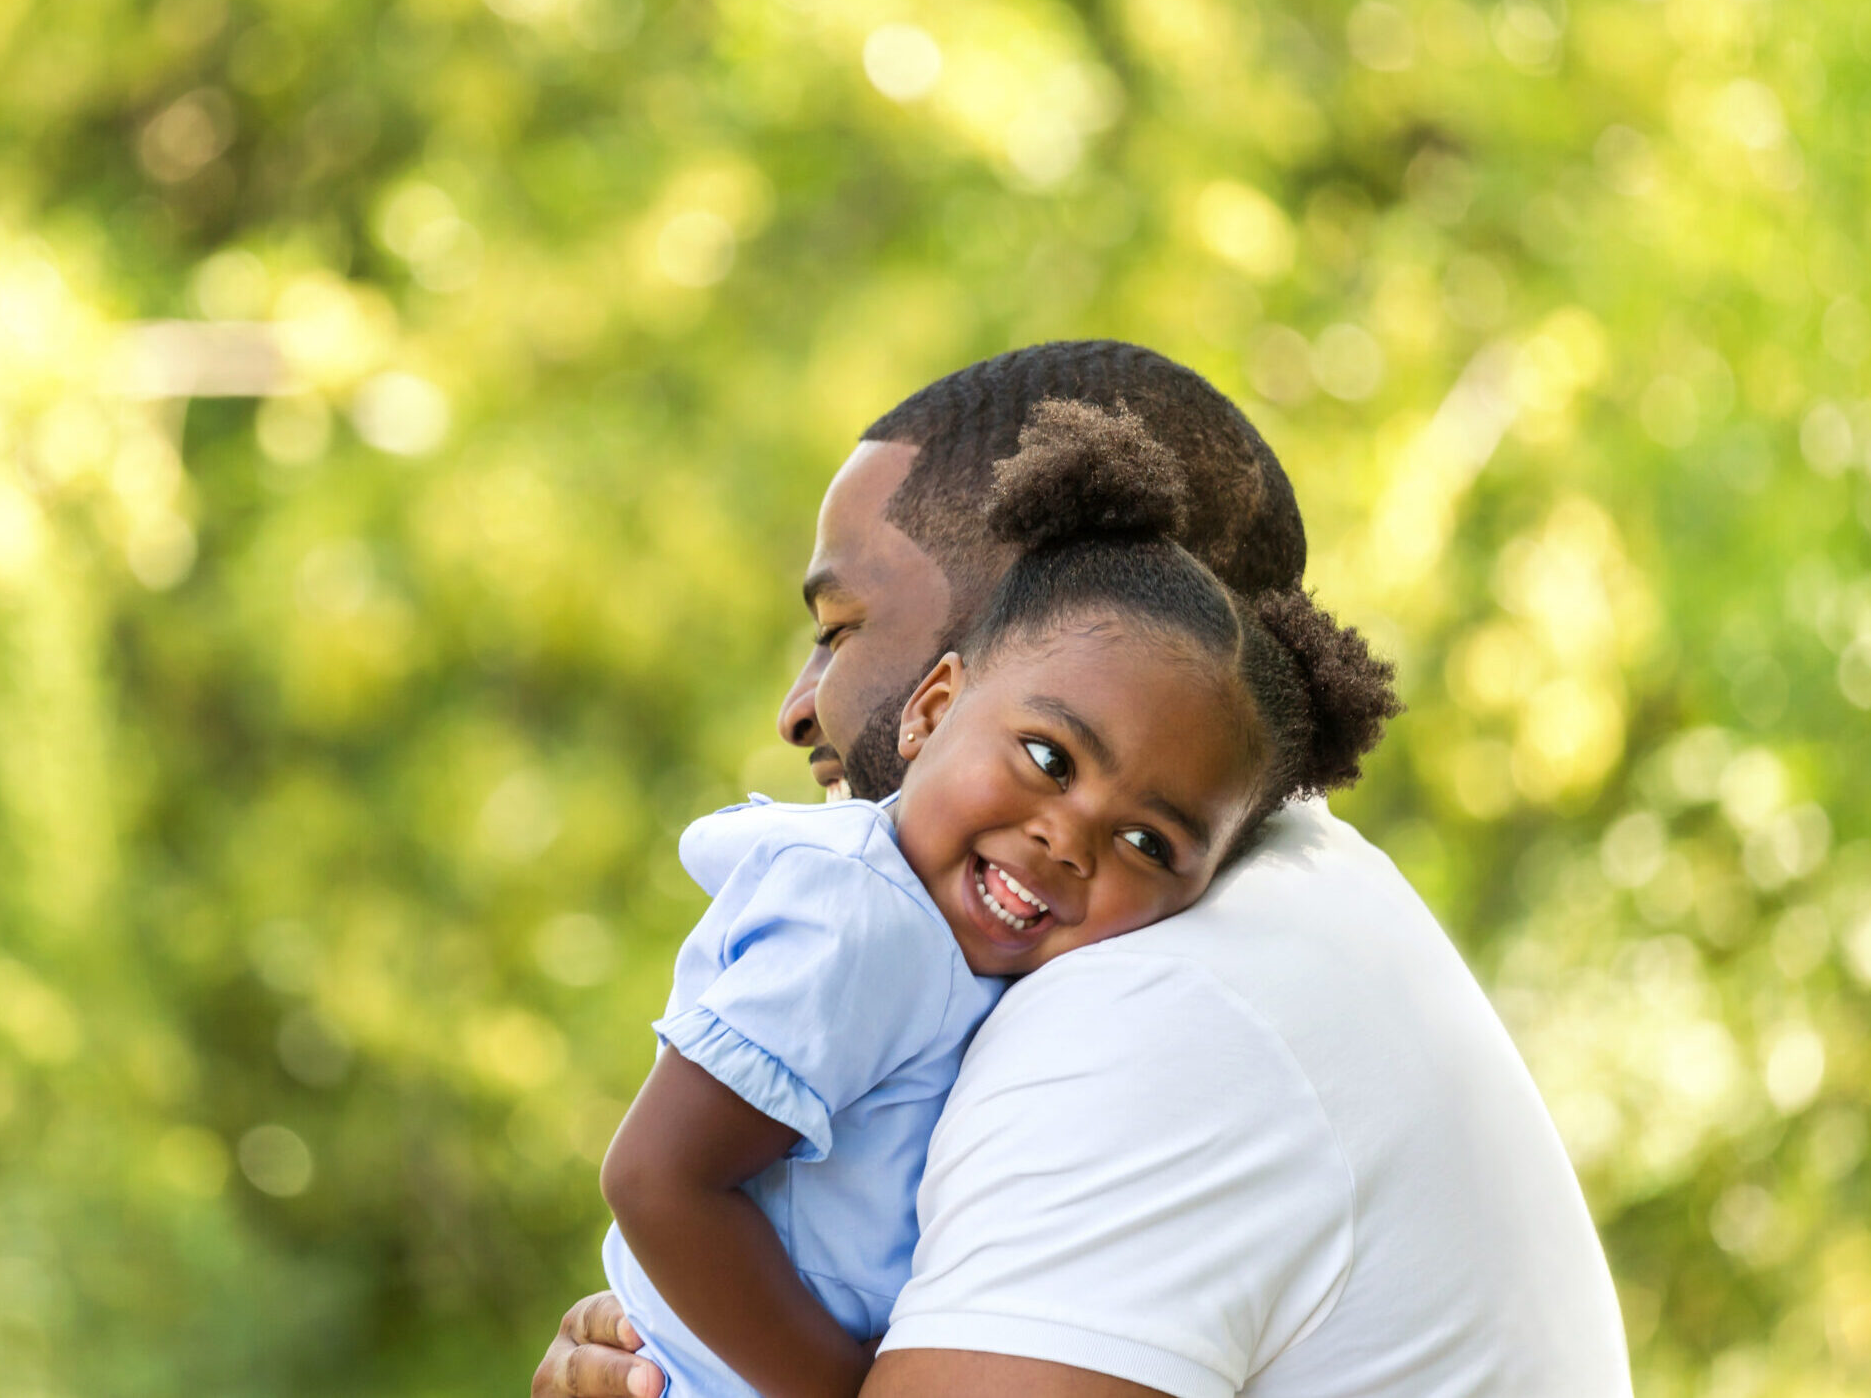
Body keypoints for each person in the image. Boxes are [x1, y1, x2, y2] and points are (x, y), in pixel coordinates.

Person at [535, 342, 1631, 1398]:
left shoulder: (1153, 1005)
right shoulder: (1244, 909)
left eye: (841, 626)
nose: (796, 707)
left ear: (1006, 633)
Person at [599, 403, 1399, 1398]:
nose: (1067, 838)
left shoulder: (1024, 972)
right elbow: (656, 1180)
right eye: (1046, 757)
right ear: (933, 709)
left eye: (1148, 843)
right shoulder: (860, 920)